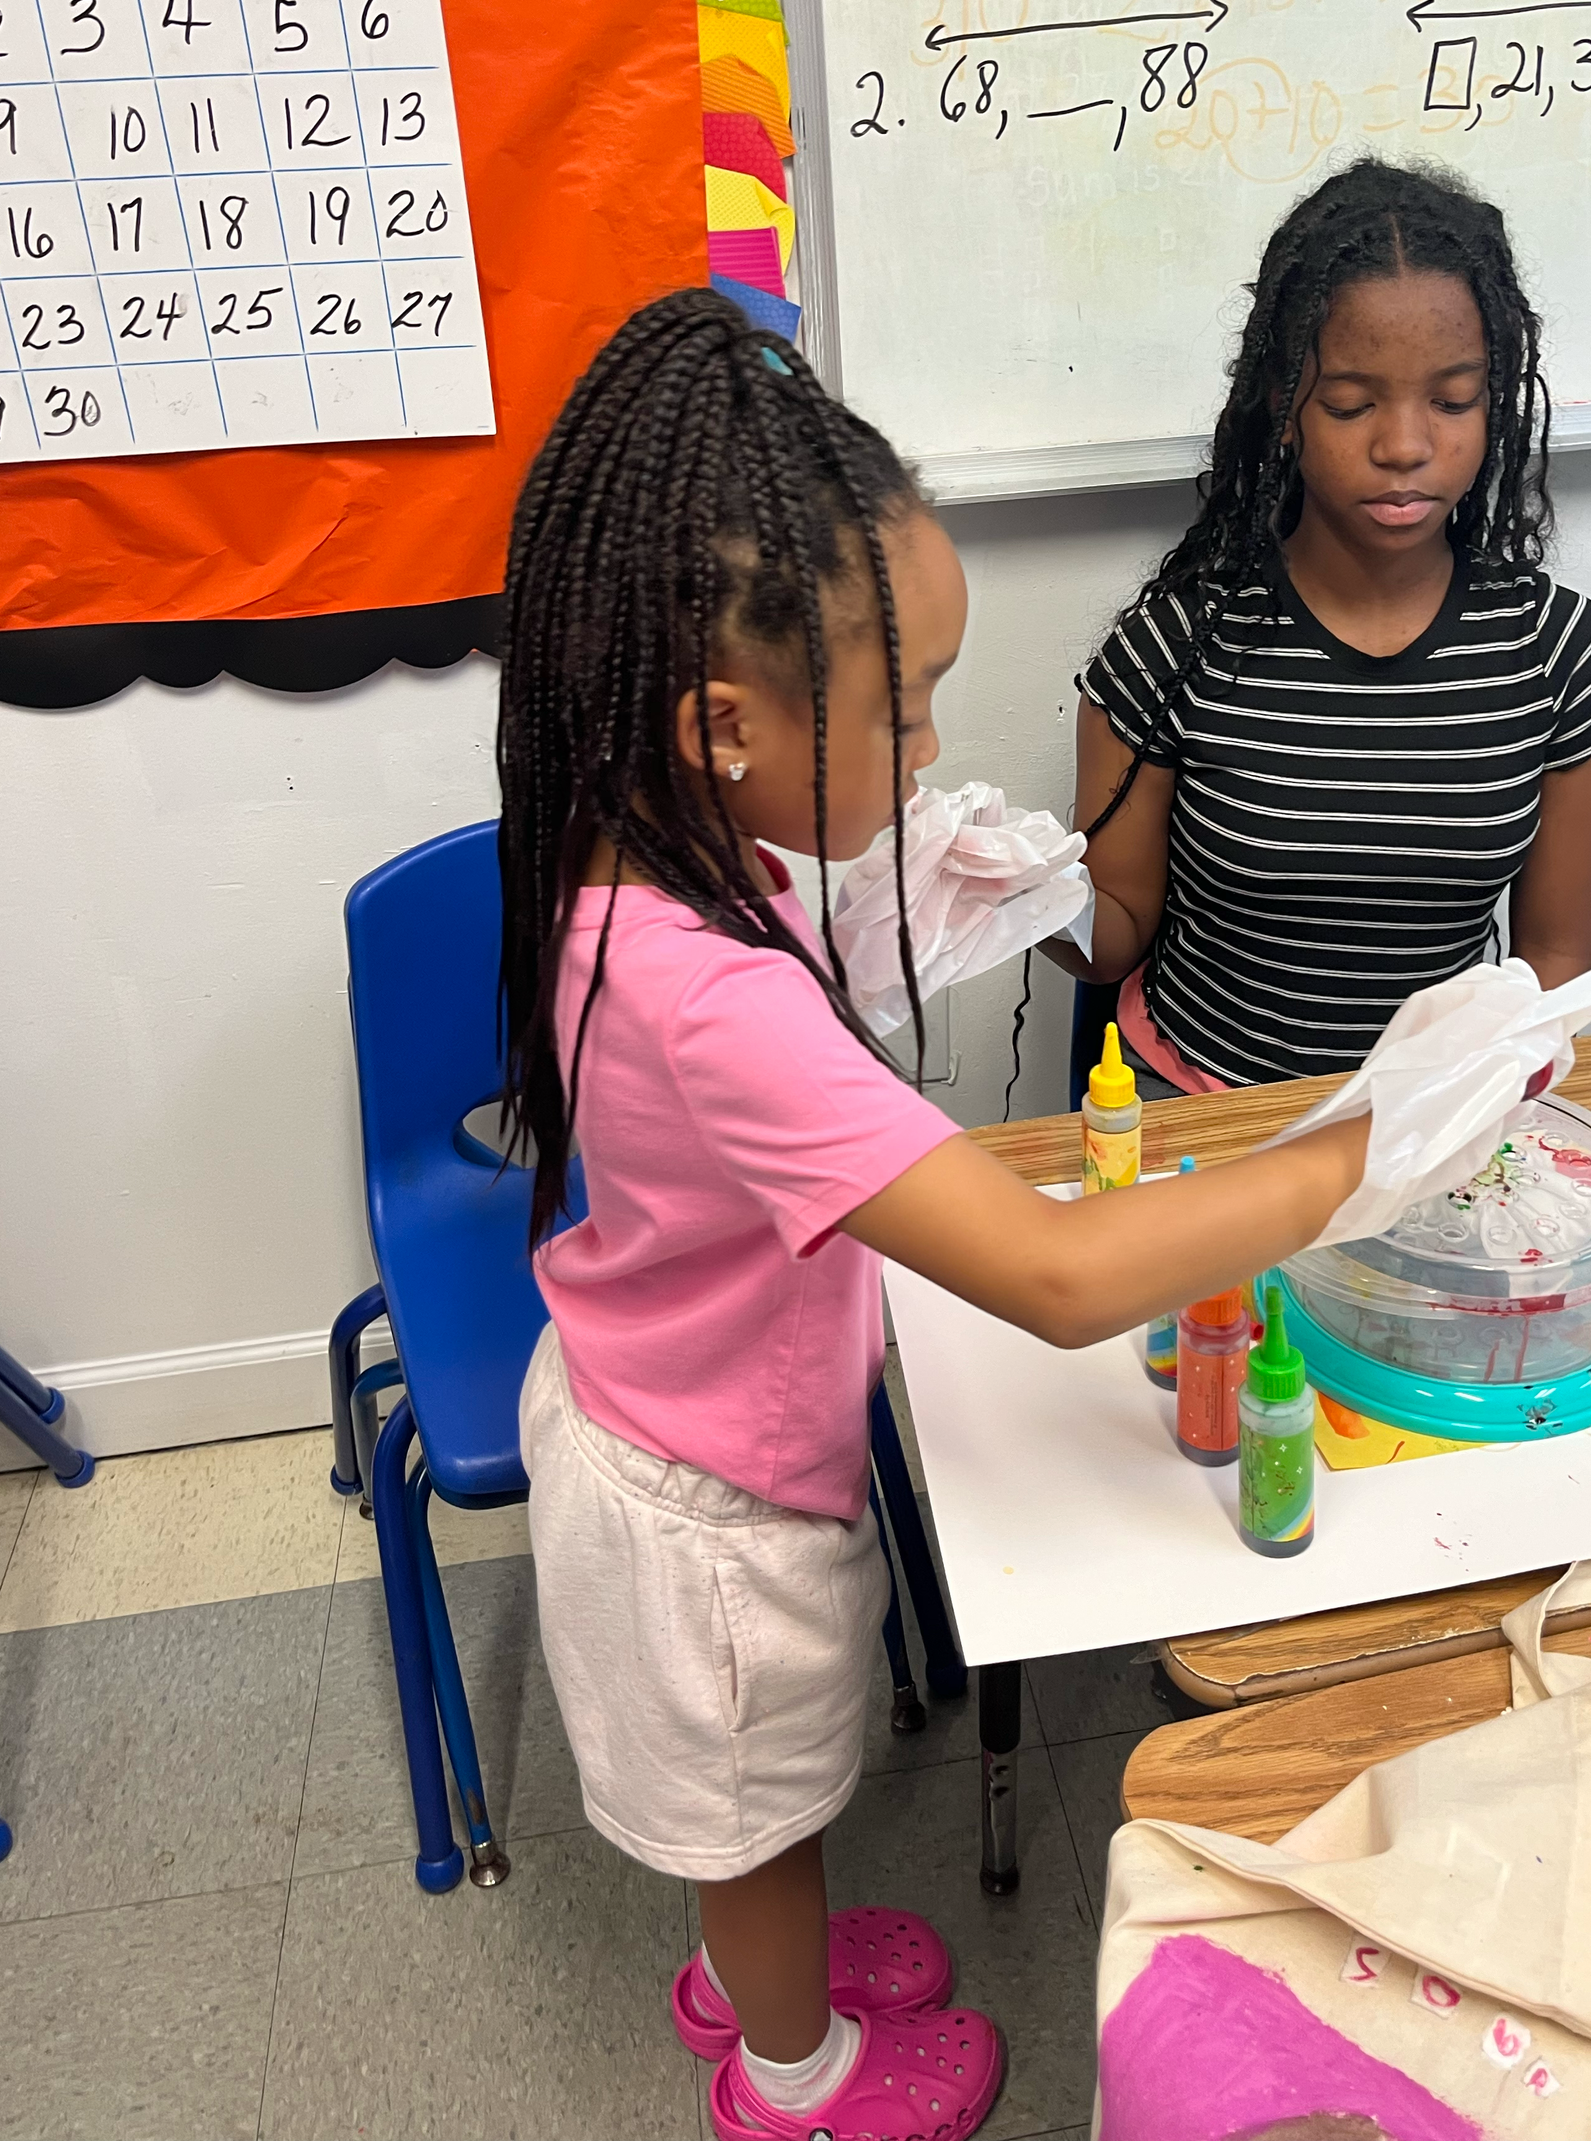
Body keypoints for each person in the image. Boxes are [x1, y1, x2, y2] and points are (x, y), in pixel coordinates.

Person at [495, 289, 1370, 2141]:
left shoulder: (648, 824)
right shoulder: (704, 979)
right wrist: (1344, 1162)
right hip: (702, 1507)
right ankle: (792, 2071)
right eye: (903, 712)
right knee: (759, 1798)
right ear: (726, 720)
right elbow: (1053, 1273)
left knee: (762, 1806)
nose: (926, 745)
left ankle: (755, 1958)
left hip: (674, 1402)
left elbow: (820, 962)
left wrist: (936, 881)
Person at [1055, 156, 1591, 1099]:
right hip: (1204, 1112)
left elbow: (1551, 965)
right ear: (1284, 411)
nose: (1405, 445)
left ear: (1495, 407)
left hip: (1436, 1123)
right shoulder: (1175, 649)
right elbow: (1111, 934)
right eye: (1350, 403)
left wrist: (1450, 1137)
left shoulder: (1561, 659)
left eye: (1452, 401)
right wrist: (1017, 901)